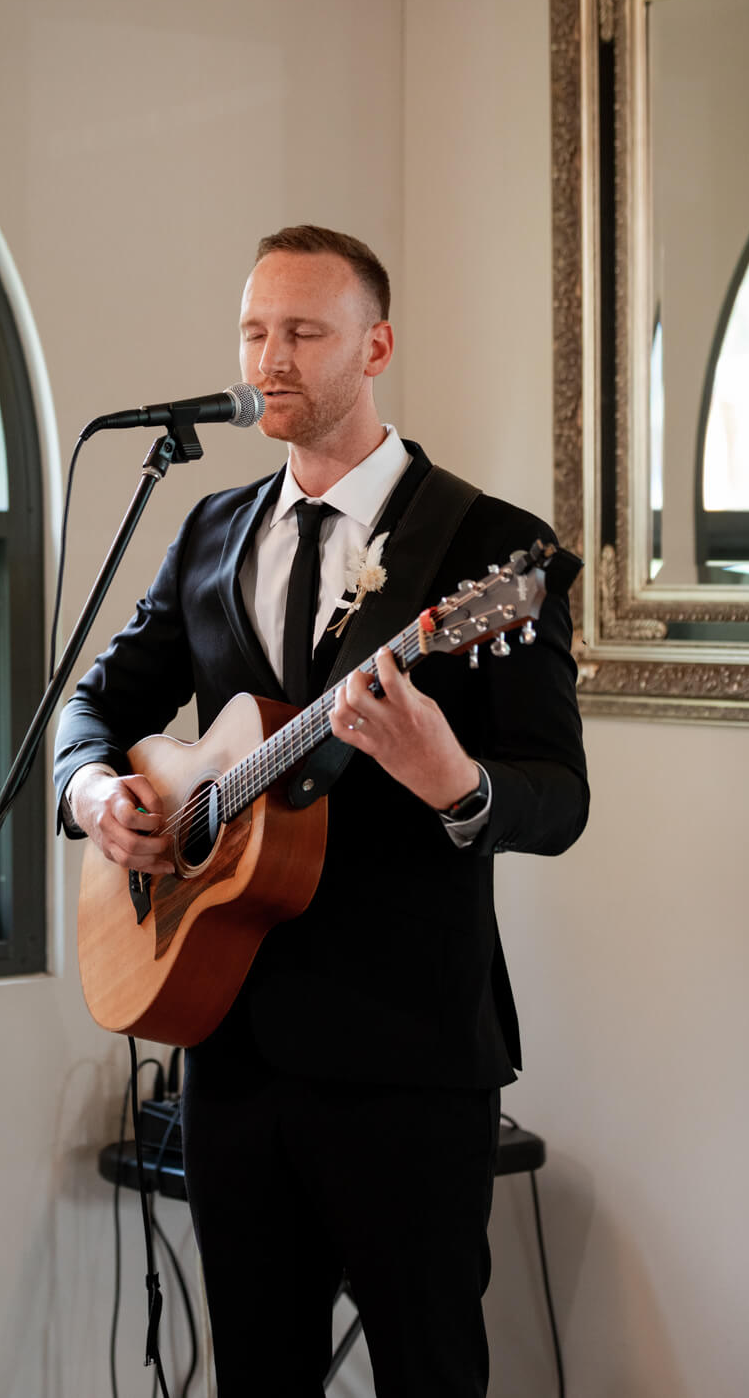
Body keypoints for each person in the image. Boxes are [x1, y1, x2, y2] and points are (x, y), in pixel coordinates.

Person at [53, 225, 588, 1397]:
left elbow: (557, 799)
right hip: (228, 1040)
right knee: (257, 1372)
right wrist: (94, 792)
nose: (270, 360)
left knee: (428, 1370)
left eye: (302, 332)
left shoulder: (492, 549)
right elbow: (91, 706)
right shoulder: (210, 530)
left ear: (375, 347)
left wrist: (455, 782)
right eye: (254, 332)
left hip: (406, 1053)